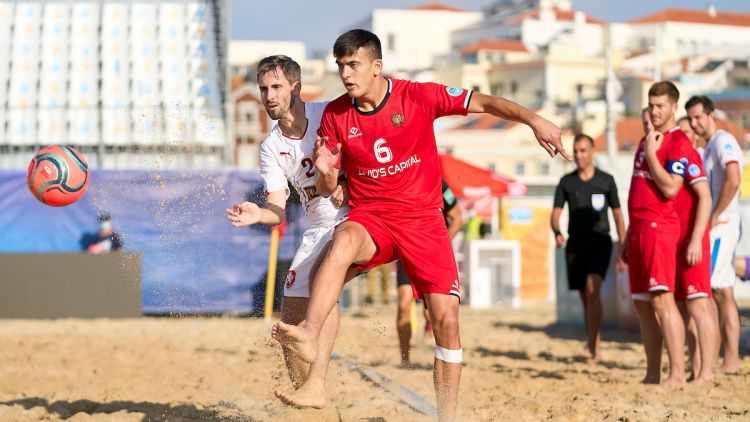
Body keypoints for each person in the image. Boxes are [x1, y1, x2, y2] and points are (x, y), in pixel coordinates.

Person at [272, 29, 566, 420]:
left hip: (423, 222)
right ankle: (310, 341)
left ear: (377, 67)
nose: (345, 73)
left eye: (353, 64)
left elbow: (486, 102)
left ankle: (447, 415)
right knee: (341, 241)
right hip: (372, 217)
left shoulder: (418, 96)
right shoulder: (336, 115)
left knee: (446, 319)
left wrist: (534, 120)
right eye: (340, 66)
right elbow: (328, 188)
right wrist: (326, 174)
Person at [225, 55, 353, 408]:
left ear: (296, 88)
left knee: (325, 280)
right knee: (289, 323)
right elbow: (278, 208)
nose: (268, 95)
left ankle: (317, 383)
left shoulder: (329, 112)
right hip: (317, 227)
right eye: (264, 88)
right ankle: (307, 399)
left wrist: (346, 180)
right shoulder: (270, 147)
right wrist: (259, 214)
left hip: (354, 218)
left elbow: (366, 138)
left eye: (276, 87)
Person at [622, 81, 693, 385]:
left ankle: (676, 372)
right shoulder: (647, 138)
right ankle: (653, 372)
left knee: (664, 300)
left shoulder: (678, 143)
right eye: (651, 105)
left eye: (660, 105)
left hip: (658, 227)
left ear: (674, 107)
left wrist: (652, 154)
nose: (654, 110)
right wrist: (626, 237)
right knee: (642, 303)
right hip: (638, 228)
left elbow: (671, 187)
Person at [551, 133, 625, 360]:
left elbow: (618, 216)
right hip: (576, 244)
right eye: (576, 151)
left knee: (593, 287)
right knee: (585, 296)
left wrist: (622, 247)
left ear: (592, 152)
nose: (579, 155)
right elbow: (555, 214)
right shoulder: (566, 182)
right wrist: (557, 232)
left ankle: (594, 342)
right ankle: (592, 341)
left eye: (584, 150)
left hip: (600, 242)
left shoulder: (607, 180)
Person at [686, 95, 743, 375]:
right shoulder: (708, 147)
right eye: (691, 119)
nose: (695, 123)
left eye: (698, 117)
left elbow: (734, 179)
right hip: (719, 226)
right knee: (723, 292)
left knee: (714, 291)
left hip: (722, 227)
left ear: (711, 115)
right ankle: (723, 359)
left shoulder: (722, 141)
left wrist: (716, 214)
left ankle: (728, 360)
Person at [397, 180, 462, 366]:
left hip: (432, 253)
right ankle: (405, 359)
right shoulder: (400, 176)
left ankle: (440, 357)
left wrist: (440, 246)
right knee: (403, 304)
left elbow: (457, 219)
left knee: (434, 312)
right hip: (407, 250)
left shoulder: (440, 184)